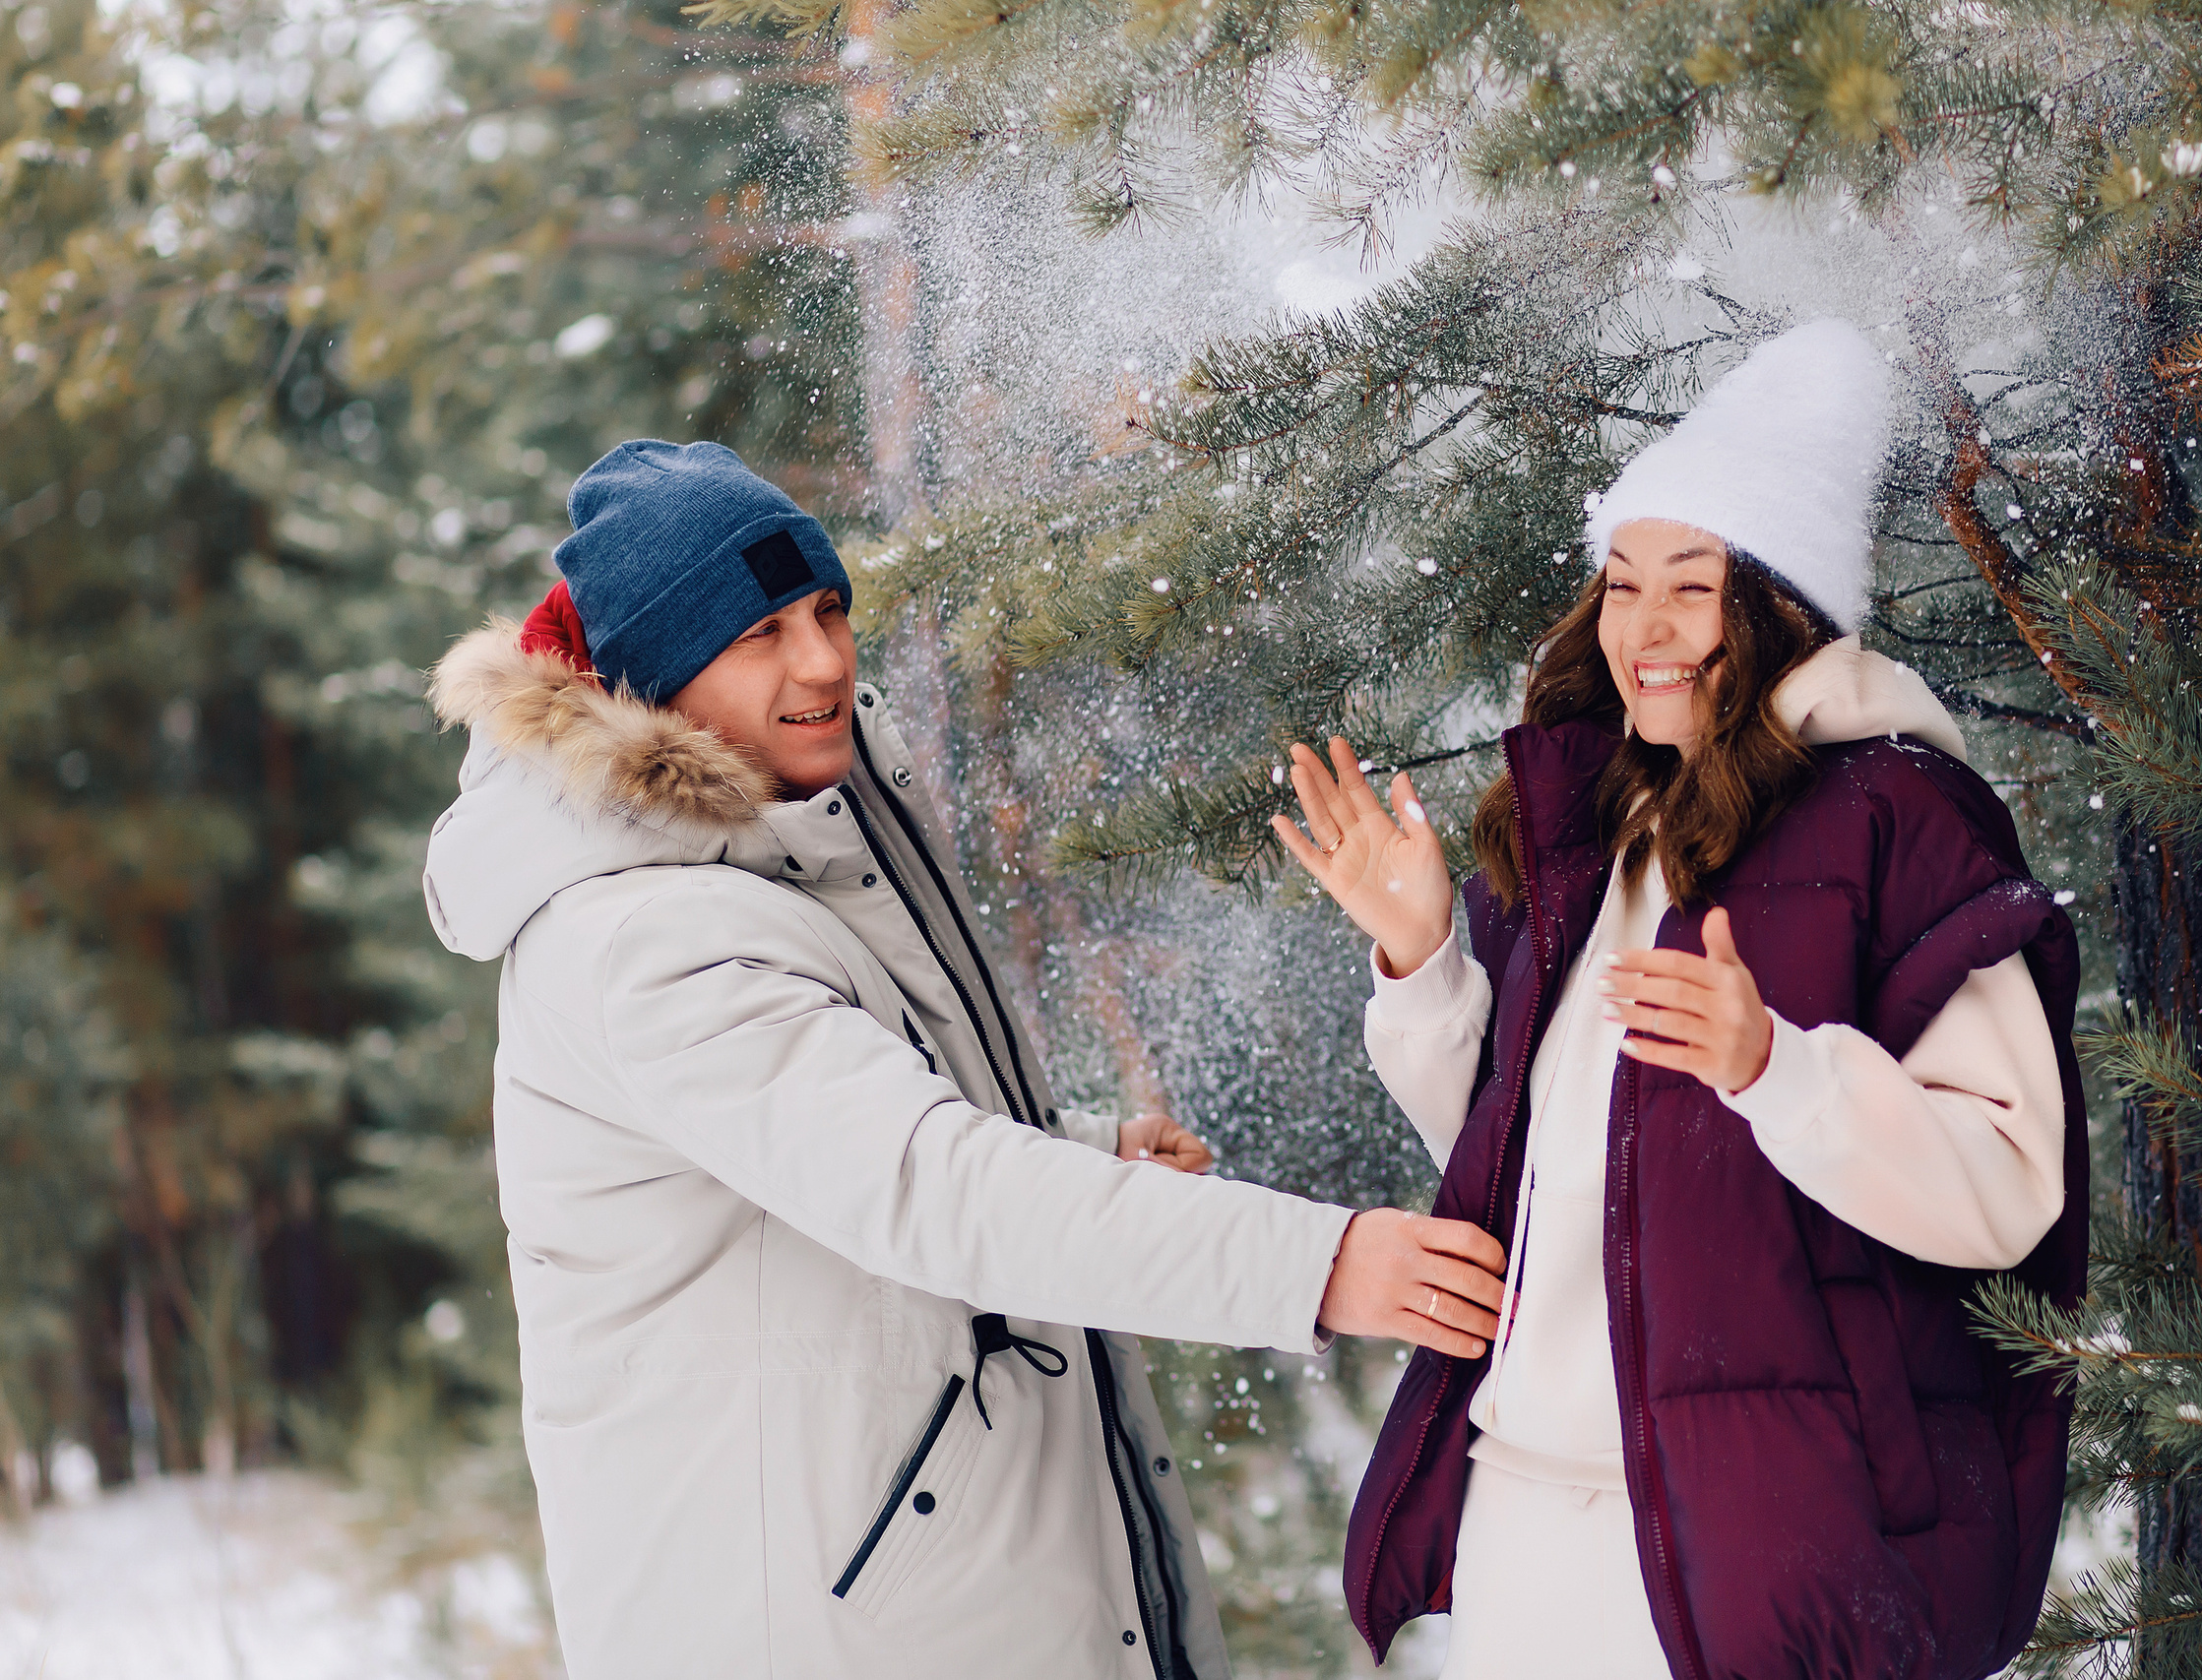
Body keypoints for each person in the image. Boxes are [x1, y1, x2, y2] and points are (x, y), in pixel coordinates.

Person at [421, 439, 1507, 1680]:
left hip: (930, 1588)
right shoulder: (643, 938)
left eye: (828, 610)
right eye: (760, 633)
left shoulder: (779, 850)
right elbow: (929, 1187)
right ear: (652, 684)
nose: (824, 660)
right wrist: (1314, 1266)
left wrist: (1077, 1153)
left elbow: (833, 1144)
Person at [1272, 322, 2089, 1679]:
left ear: (1773, 605)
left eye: (1690, 588)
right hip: (1531, 1523)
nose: (1641, 629)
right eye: (1621, 581)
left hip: (1765, 1548)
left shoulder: (1901, 816)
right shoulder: (1603, 822)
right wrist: (1425, 961)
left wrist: (1779, 1069)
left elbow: (2006, 1186)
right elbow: (1537, 1176)